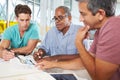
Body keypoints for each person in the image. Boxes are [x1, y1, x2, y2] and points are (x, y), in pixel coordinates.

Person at [75, 0, 120, 80]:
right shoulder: (100, 30)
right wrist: (54, 64)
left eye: (83, 14)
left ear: (100, 14)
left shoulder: (113, 27)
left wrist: (78, 43)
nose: (80, 19)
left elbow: (99, 78)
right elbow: (88, 60)